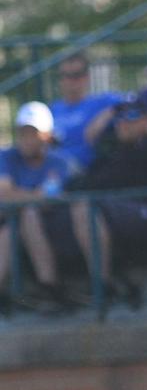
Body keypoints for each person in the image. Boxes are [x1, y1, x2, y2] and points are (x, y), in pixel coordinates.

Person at [66, 93, 147, 306]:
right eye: (120, 119)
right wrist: (113, 110)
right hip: (114, 213)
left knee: (84, 208)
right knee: (71, 207)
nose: (124, 123)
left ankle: (101, 285)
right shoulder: (112, 152)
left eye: (132, 117)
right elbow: (90, 137)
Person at [0, 102, 78, 313]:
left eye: (33, 133)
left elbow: (49, 199)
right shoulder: (7, 156)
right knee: (9, 228)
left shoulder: (59, 161)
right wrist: (33, 196)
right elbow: (4, 193)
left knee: (28, 214)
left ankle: (49, 285)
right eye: (23, 132)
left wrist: (23, 198)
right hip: (10, 221)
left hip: (52, 223)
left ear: (46, 135)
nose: (27, 138)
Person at [49, 52, 122, 172]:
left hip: (90, 170)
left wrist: (107, 114)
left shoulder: (102, 102)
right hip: (56, 172)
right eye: (65, 75)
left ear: (86, 76)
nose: (70, 81)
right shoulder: (52, 110)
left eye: (76, 75)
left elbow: (134, 101)